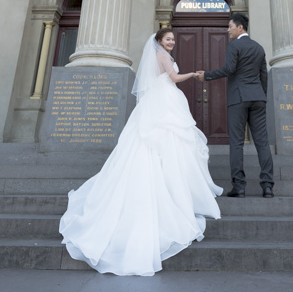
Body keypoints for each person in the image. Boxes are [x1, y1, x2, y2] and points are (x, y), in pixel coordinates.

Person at [59, 28, 223, 276]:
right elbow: (175, 78)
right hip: (165, 100)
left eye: (173, 40)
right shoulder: (164, 57)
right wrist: (193, 74)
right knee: (168, 140)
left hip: (158, 101)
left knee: (156, 142)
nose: (171, 42)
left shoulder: (157, 56)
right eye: (168, 39)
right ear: (159, 42)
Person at [196, 13, 274, 198]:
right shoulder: (259, 47)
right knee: (262, 143)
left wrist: (206, 75)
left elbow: (229, 69)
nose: (227, 30)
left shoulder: (234, 45)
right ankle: (268, 185)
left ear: (240, 28)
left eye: (230, 26)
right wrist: (261, 95)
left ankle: (239, 187)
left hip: (239, 98)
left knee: (237, 143)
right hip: (258, 98)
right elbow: (264, 75)